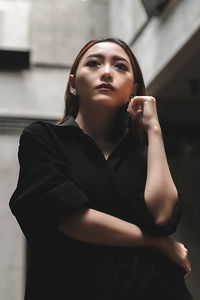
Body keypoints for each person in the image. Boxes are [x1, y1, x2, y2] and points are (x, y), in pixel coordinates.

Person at [9, 37, 193, 300]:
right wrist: (156, 242)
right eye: (94, 63)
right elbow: (68, 218)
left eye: (120, 66)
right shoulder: (43, 138)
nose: (106, 72)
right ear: (73, 85)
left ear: (134, 90)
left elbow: (163, 216)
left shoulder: (144, 153)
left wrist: (154, 130)